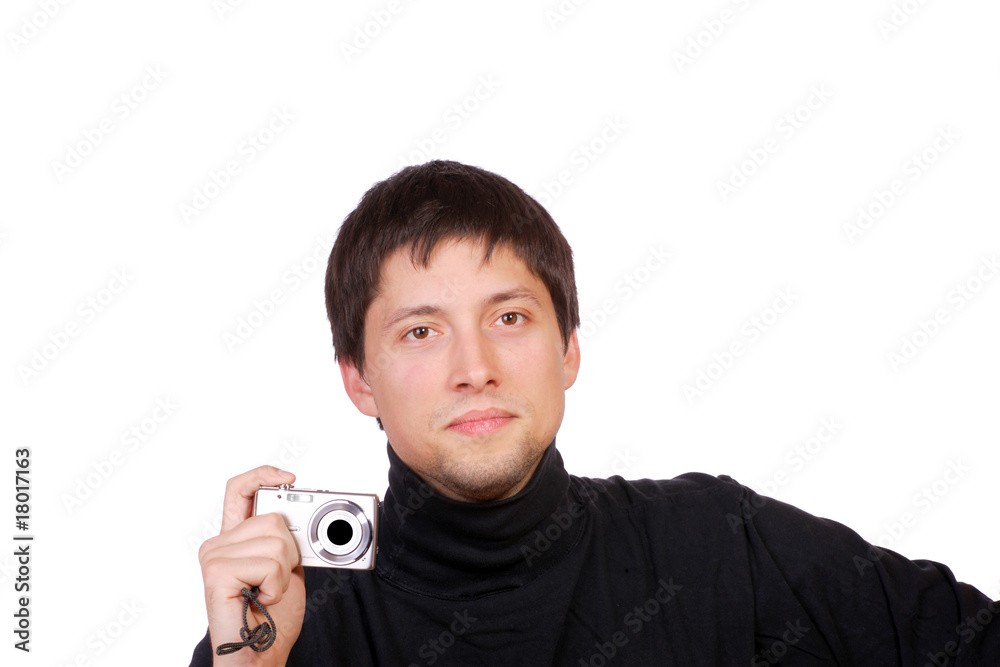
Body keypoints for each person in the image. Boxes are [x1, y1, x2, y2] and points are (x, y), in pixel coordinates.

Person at [190, 160, 999, 666]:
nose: (475, 368)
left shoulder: (716, 545)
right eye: (422, 332)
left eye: (510, 317)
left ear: (569, 350)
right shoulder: (287, 619)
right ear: (358, 380)